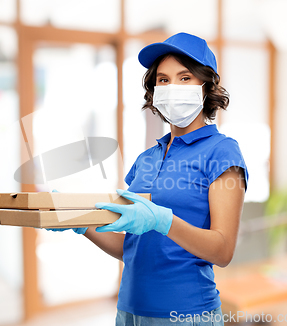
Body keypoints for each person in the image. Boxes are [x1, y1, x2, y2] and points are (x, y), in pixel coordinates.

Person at [47, 32, 248, 326]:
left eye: (184, 77)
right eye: (163, 80)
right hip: (129, 311)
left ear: (206, 87)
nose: (172, 87)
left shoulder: (222, 152)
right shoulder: (146, 159)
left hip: (187, 314)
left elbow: (223, 250)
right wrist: (81, 222)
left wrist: (162, 221)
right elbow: (130, 248)